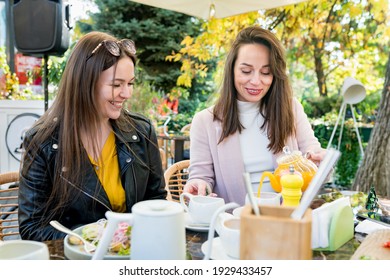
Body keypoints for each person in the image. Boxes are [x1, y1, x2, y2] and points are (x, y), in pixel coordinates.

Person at [18, 31, 167, 241]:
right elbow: (32, 228)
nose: (127, 94)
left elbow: (157, 199)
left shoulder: (141, 131)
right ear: (84, 83)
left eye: (130, 83)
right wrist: (93, 238)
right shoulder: (42, 141)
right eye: (116, 85)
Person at [184, 26, 326, 206]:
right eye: (246, 71)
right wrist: (199, 185)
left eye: (266, 72)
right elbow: (200, 176)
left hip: (287, 221)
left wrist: (319, 160)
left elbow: (313, 157)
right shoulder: (205, 121)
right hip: (235, 224)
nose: (256, 81)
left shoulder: (291, 109)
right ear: (232, 69)